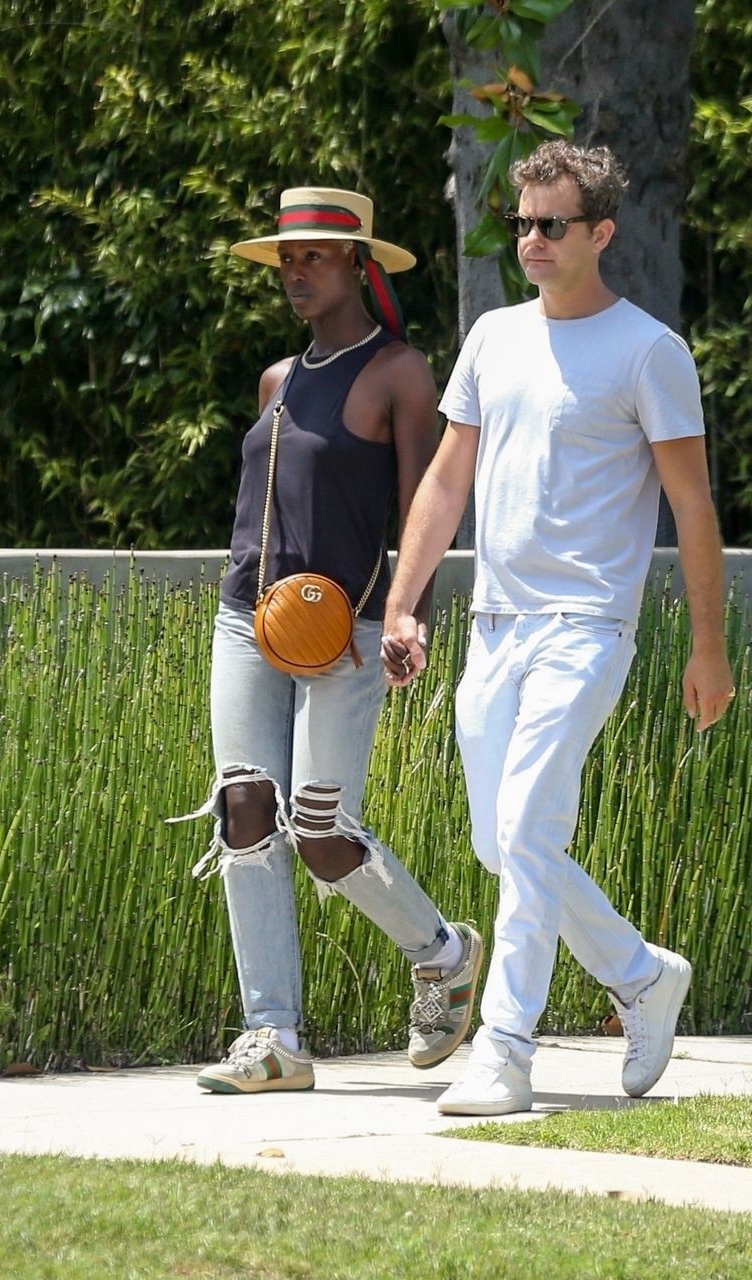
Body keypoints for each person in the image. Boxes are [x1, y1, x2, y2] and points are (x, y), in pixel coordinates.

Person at [380, 142, 735, 1116]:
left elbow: (692, 507)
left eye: (551, 225)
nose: (530, 240)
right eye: (521, 224)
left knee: (530, 826)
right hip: (494, 627)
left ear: (601, 232)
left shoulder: (649, 352)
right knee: (505, 844)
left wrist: (708, 647)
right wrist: (405, 601)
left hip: (587, 626)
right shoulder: (493, 338)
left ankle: (506, 1051)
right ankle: (640, 974)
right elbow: (447, 479)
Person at [173, 187, 483, 1094]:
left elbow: (425, 507)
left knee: (319, 832)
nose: (296, 271)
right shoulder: (278, 380)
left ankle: (442, 953)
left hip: (350, 629)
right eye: (286, 257)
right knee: (243, 808)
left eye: (313, 255)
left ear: (356, 263)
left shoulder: (400, 374)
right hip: (248, 617)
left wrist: (410, 615)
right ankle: (272, 1037)